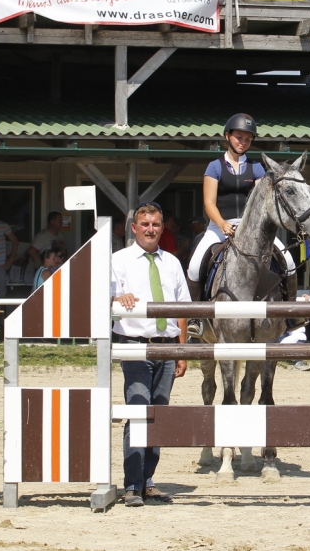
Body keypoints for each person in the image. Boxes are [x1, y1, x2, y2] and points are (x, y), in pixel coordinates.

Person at [112, 202, 190, 508]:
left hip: (167, 346)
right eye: (144, 224)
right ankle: (132, 483)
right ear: (134, 227)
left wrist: (182, 351)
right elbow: (100, 295)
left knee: (159, 414)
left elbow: (183, 307)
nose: (150, 229)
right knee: (138, 408)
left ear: (162, 227)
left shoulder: (171, 262)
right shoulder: (118, 260)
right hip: (134, 343)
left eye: (156, 224)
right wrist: (117, 297)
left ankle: (147, 481)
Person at [186, 113, 295, 286]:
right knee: (194, 267)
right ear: (227, 136)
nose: (243, 142)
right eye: (239, 137)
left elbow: (263, 201)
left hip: (253, 228)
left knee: (289, 262)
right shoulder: (215, 167)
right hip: (220, 227)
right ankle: (196, 312)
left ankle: (290, 311)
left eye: (247, 139)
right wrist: (222, 224)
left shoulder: (257, 168)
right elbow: (209, 203)